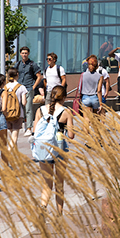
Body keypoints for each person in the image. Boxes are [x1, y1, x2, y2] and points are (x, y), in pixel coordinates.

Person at [33, 85, 74, 215]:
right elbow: (71, 135)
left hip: (44, 149)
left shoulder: (40, 111)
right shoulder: (66, 112)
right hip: (60, 149)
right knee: (59, 184)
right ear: (64, 98)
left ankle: (43, 206)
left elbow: (35, 131)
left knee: (47, 183)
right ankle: (59, 215)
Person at [16, 46, 43, 137]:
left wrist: (33, 87)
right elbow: (12, 74)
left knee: (28, 109)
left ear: (28, 54)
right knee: (19, 108)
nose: (24, 54)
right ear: (20, 54)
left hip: (28, 88)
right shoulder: (18, 64)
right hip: (19, 89)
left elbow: (39, 77)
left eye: (26, 53)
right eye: (23, 53)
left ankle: (29, 128)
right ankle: (23, 125)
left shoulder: (32, 64)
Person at [5, 68, 28, 152]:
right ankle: (8, 152)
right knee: (14, 137)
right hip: (18, 114)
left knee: (12, 136)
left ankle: (16, 155)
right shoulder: (21, 87)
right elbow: (24, 102)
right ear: (17, 74)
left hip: (7, 114)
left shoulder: (5, 87)